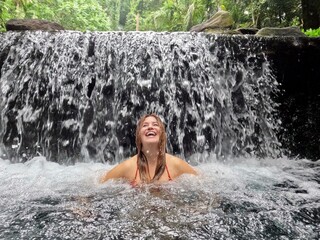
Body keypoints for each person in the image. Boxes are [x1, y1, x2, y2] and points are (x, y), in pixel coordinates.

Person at [100, 113, 197, 186]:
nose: (150, 127)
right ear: (139, 136)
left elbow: (201, 181)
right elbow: (100, 183)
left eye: (155, 124)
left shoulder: (176, 164)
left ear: (162, 134)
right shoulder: (129, 166)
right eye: (145, 125)